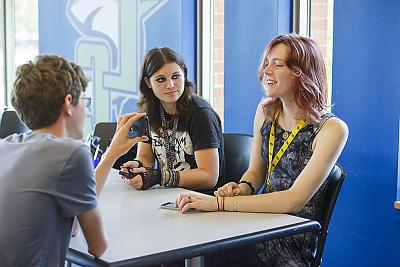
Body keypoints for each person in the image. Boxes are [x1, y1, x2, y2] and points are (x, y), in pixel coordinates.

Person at [176, 34, 349, 266]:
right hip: (259, 225)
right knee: (185, 249)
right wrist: (242, 188)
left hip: (290, 242)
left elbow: (293, 201)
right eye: (267, 63)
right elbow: (255, 173)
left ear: (303, 72)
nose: (267, 70)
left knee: (205, 255)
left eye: (278, 65)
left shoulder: (332, 129)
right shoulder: (266, 111)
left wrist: (220, 204)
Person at [0, 55, 148, 266]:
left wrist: (111, 154)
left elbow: (72, 227)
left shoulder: (6, 146)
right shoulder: (71, 153)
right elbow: (98, 247)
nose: (86, 111)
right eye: (85, 102)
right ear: (68, 103)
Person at [121, 47, 225, 194]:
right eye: (161, 79)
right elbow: (145, 157)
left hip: (204, 200)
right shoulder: (146, 112)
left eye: (176, 76)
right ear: (148, 82)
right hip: (168, 196)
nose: (170, 85)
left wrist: (160, 177)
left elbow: (209, 177)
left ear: (184, 74)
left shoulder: (201, 114)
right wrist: (137, 166)